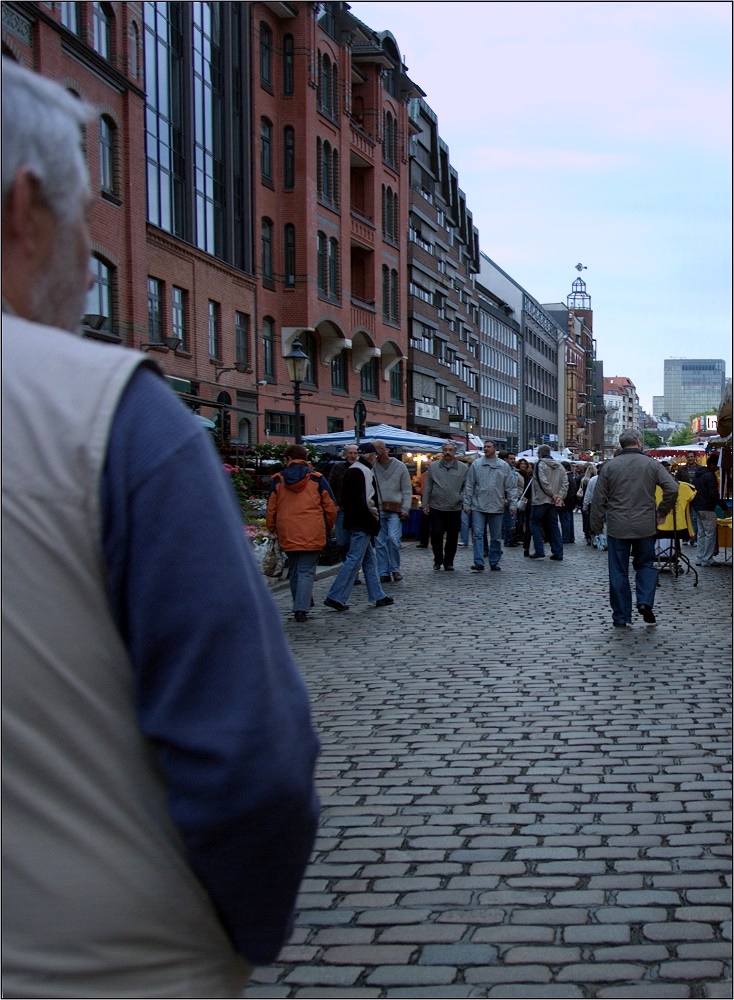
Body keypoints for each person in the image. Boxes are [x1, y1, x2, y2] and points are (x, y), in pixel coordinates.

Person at [1, 59, 319, 998]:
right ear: (24, 208)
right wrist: (228, 936)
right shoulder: (111, 415)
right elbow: (251, 761)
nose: (85, 279)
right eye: (80, 225)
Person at [590, 430, 679, 627]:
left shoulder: (609, 467)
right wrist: (661, 512)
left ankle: (621, 616)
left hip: (617, 525)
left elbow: (598, 500)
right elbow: (672, 488)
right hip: (645, 525)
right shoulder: (651, 464)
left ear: (621, 445)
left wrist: (595, 528)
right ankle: (645, 601)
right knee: (646, 565)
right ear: (639, 442)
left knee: (618, 571)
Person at [266, 445, 337, 622]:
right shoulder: (316, 479)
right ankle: (301, 608)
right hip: (312, 529)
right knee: (306, 570)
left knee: (295, 569)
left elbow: (271, 508)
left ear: (288, 459)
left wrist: (272, 528)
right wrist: (327, 527)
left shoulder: (279, 480)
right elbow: (330, 506)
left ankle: (300, 603)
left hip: (287, 529)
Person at [324, 443, 395, 611]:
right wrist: (375, 517)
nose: (376, 458)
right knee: (354, 559)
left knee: (369, 560)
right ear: (370, 455)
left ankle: (378, 595)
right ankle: (335, 596)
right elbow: (368, 500)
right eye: (374, 455)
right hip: (362, 522)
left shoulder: (354, 469)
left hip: (354, 520)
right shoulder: (363, 471)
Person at [463, 440, 518, 571]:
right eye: (485, 447)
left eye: (488, 447)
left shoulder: (503, 466)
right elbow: (469, 485)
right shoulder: (476, 464)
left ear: (495, 448)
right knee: (477, 534)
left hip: (496, 505)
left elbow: (510, 487)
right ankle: (478, 561)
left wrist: (513, 504)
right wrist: (467, 503)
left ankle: (494, 561)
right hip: (478, 505)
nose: (486, 449)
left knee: (496, 537)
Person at [423, 441, 468, 571]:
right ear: (442, 451)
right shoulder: (434, 467)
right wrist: (425, 504)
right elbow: (428, 487)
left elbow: (466, 487)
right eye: (446, 450)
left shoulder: (463, 468)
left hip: (454, 507)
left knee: (452, 536)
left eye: (450, 450)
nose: (448, 452)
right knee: (436, 533)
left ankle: (449, 561)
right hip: (437, 505)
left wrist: (461, 498)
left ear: (455, 452)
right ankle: (438, 559)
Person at [372, 439, 412, 582]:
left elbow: (407, 490)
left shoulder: (400, 466)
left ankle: (395, 568)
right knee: (380, 542)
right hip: (378, 509)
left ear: (385, 450)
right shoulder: (372, 467)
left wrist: (405, 509)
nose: (377, 453)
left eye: (379, 450)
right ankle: (383, 571)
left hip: (395, 509)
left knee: (393, 539)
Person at [528, 445, 568, 560]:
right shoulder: (560, 466)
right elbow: (565, 483)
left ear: (540, 453)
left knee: (534, 523)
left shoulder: (540, 464)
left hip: (541, 499)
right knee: (553, 525)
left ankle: (539, 550)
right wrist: (560, 496)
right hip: (553, 502)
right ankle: (558, 551)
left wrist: (552, 494)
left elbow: (543, 482)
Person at [327, 442, 359, 557]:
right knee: (341, 540)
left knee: (355, 540)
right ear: (345, 454)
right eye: (350, 453)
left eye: (355, 453)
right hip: (342, 509)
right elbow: (330, 487)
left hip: (356, 511)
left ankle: (351, 567)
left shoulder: (361, 468)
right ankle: (347, 562)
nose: (353, 455)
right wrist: (334, 504)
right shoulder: (338, 467)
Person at [692, 454, 722, 567]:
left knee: (701, 534)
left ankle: (700, 557)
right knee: (710, 534)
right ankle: (707, 558)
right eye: (717, 465)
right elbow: (713, 494)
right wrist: (723, 506)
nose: (718, 468)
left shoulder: (698, 475)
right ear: (713, 464)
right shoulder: (710, 476)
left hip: (698, 507)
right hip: (707, 508)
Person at [676, 452, 701, 545]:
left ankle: (693, 539)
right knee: (684, 517)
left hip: (695, 496)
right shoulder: (682, 469)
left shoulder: (699, 469)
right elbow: (677, 481)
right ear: (686, 458)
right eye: (688, 457)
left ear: (695, 457)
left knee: (693, 518)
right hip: (684, 496)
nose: (690, 458)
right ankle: (685, 538)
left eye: (692, 457)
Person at [499, 450, 522, 547]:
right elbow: (502, 485)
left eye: (514, 459)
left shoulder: (513, 470)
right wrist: (504, 497)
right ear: (506, 459)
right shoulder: (504, 470)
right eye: (511, 459)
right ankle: (508, 539)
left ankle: (510, 538)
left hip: (513, 498)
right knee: (507, 520)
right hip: (506, 498)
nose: (513, 461)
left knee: (511, 520)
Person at [559, 460, 578, 544]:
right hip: (570, 502)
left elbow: (567, 491)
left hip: (566, 502)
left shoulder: (566, 477)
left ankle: (566, 537)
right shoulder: (571, 477)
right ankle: (570, 537)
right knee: (569, 520)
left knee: (565, 520)